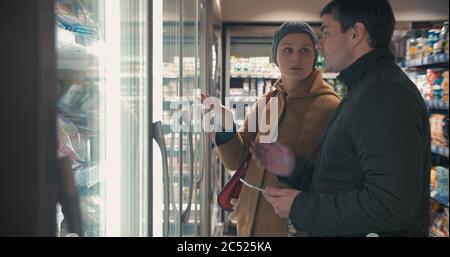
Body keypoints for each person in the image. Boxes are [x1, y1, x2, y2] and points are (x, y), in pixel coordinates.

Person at [250, 0, 431, 237]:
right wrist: (294, 168)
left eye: (326, 32)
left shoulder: (384, 95)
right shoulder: (366, 88)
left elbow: (390, 206)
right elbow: (344, 180)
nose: (320, 44)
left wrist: (301, 207)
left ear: (356, 33)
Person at [202, 22, 340, 236]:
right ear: (275, 56)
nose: (296, 58)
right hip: (249, 225)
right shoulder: (268, 101)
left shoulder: (331, 107)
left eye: (305, 50)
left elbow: (336, 179)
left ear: (315, 56)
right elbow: (236, 160)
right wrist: (226, 125)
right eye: (287, 50)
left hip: (292, 227)